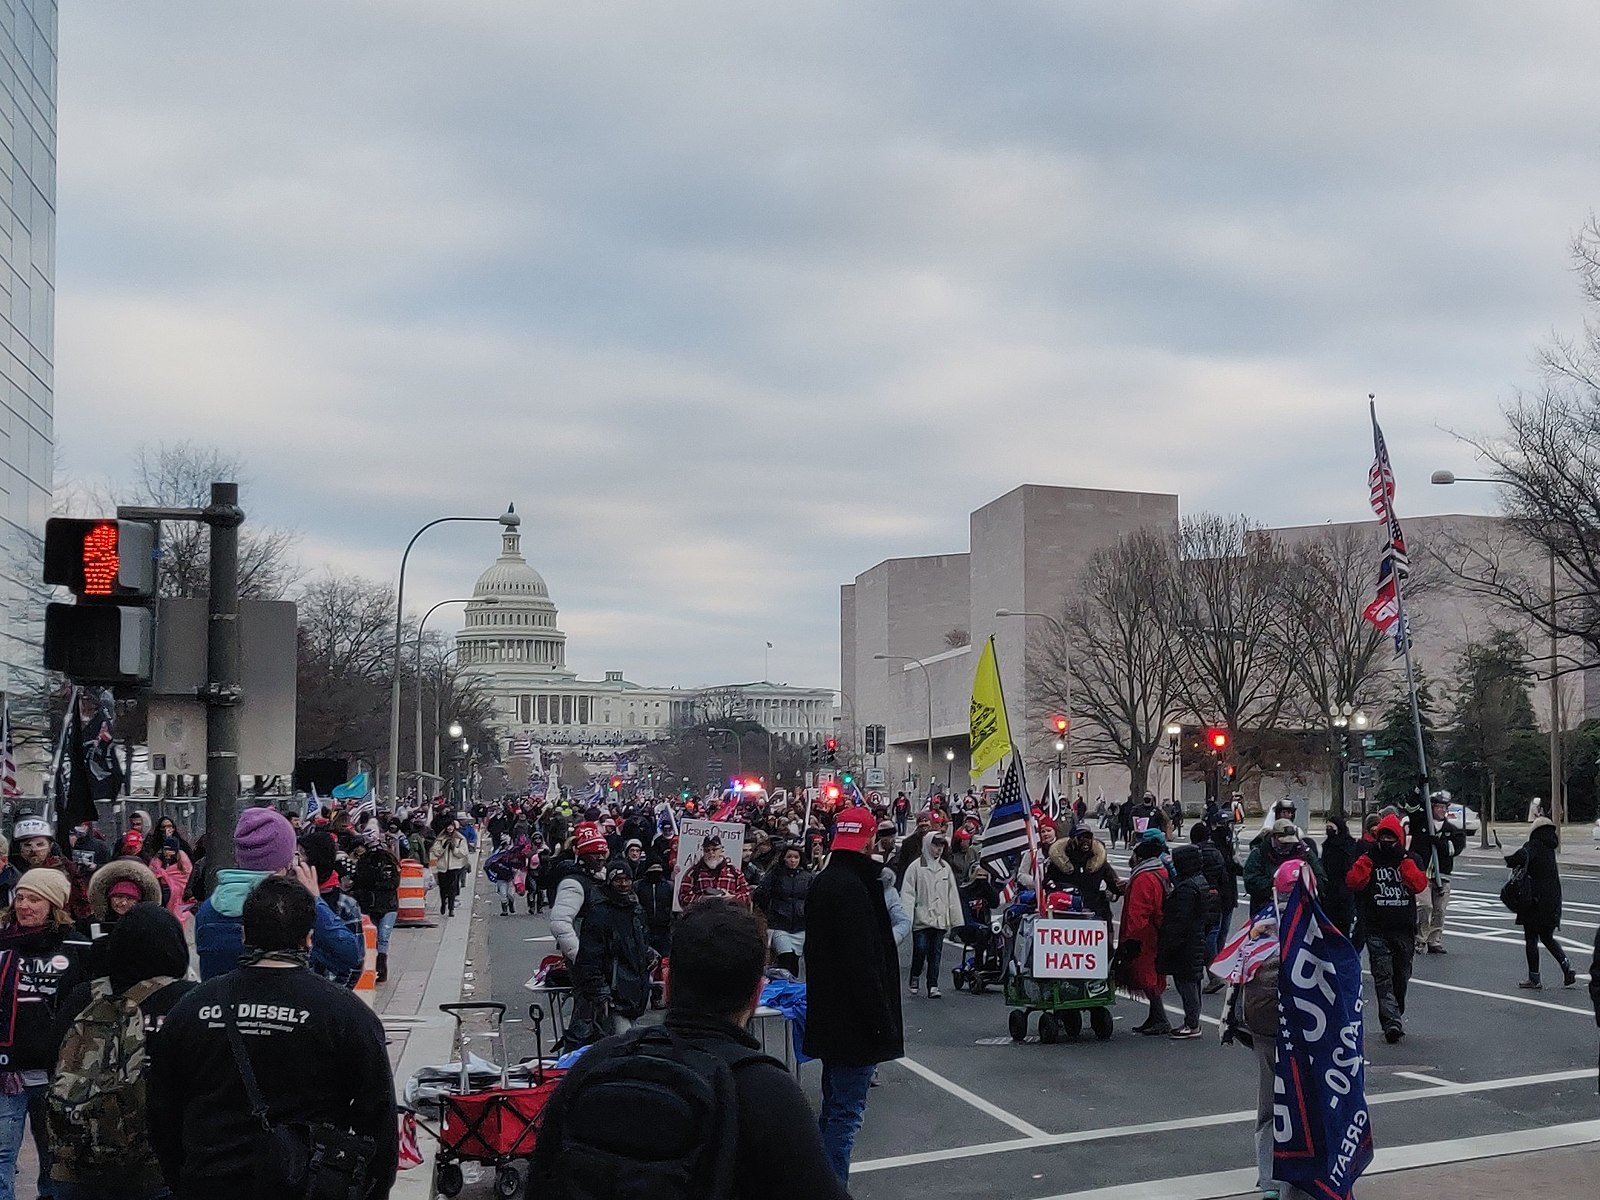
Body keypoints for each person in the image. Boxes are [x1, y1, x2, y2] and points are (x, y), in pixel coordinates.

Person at [528, 899, 849, 1200]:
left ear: (667, 984)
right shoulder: (766, 1092)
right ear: (756, 996)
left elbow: (540, 1181)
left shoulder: (595, 1063)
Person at [148, 877, 397, 1199]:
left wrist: (182, 1179)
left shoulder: (192, 1008)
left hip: (211, 1182)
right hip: (307, 1183)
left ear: (243, 935)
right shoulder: (347, 1014)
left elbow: (160, 1110)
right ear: (309, 940)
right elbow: (378, 1119)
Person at [46, 902, 195, 1200]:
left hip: (77, 1164)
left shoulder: (85, 997)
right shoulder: (187, 999)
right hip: (153, 1165)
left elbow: (52, 1058)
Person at [803, 806, 902, 1186]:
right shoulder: (856, 888)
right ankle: (831, 1187)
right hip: (856, 1025)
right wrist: (882, 1024)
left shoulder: (825, 882)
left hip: (830, 1015)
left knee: (834, 1111)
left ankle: (821, 1184)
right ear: (869, 840)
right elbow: (864, 966)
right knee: (845, 1116)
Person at [0, 869, 93, 1200]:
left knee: (55, 1163)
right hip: (8, 1073)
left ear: (53, 904)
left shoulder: (77, 946)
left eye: (34, 899)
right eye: (20, 897)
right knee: (1, 1159)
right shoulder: (2, 943)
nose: (24, 905)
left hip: (58, 1074)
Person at [192, 806, 363, 984]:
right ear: (287, 860)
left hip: (224, 1006)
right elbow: (349, 956)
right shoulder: (288, 907)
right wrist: (315, 900)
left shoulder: (209, 909)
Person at [1345, 813, 1428, 1042]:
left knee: (1401, 974)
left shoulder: (1410, 859)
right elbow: (1353, 881)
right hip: (1376, 927)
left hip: (1403, 927)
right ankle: (1391, 1021)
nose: (1387, 842)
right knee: (1383, 976)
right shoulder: (1368, 858)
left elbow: (1419, 885)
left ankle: (1395, 1010)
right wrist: (1368, 859)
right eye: (1383, 837)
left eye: (1391, 837)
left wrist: (1403, 860)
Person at [573, 861, 655, 1037]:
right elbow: (589, 959)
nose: (623, 884)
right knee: (622, 1047)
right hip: (613, 997)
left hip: (633, 995)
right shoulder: (599, 913)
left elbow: (638, 947)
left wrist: (648, 954)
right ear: (609, 881)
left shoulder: (636, 911)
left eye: (627, 879)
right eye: (618, 880)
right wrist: (601, 993)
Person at [549, 823, 612, 1049]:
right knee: (588, 1016)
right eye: (595, 855)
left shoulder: (598, 881)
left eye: (602, 853)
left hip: (599, 959)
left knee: (599, 1017)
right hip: (587, 964)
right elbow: (559, 922)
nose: (601, 859)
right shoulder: (574, 884)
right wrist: (581, 957)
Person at [1506, 816, 1578, 989]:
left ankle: (1534, 978)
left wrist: (1506, 853)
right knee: (1547, 937)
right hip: (1552, 901)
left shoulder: (1533, 846)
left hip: (1534, 901)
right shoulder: (1550, 848)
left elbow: (1516, 859)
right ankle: (1566, 965)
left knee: (1531, 938)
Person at [1157, 845, 1214, 1039]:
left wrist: (1168, 943)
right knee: (1193, 981)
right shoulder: (1199, 882)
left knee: (1186, 982)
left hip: (1186, 943)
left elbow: (1179, 920)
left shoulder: (1187, 888)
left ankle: (1191, 1024)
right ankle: (1193, 1021)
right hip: (1196, 938)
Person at [1117, 836, 1171, 1036]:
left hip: (1144, 934)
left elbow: (1138, 912)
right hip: (1156, 931)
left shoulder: (1143, 877)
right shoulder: (1159, 872)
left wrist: (1131, 938)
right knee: (1153, 974)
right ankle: (1155, 1016)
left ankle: (1160, 1017)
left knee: (1146, 974)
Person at [903, 829, 962, 999]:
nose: (939, 850)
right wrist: (907, 917)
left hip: (939, 918)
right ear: (928, 845)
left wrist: (955, 920)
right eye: (936, 846)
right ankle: (915, 975)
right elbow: (908, 893)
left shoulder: (945, 868)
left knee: (935, 954)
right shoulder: (915, 867)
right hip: (920, 919)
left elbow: (952, 895)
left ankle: (933, 985)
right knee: (920, 949)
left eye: (941, 846)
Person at [1411, 793, 1466, 955]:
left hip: (1442, 875)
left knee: (1439, 909)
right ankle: (1420, 939)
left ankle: (1434, 941)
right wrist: (1418, 791)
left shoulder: (1454, 831)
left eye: (1444, 807)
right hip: (1423, 875)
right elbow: (1411, 809)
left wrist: (1438, 843)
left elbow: (1453, 850)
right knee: (1425, 906)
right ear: (1432, 808)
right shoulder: (1422, 825)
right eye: (1438, 807)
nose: (1441, 810)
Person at [753, 843, 812, 977]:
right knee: (786, 957)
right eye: (789, 857)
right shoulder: (775, 875)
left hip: (801, 925)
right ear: (783, 858)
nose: (793, 860)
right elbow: (760, 894)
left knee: (797, 962)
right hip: (780, 924)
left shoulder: (808, 877)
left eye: (796, 857)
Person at [1243, 819, 1327, 911]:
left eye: (1291, 843)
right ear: (1275, 837)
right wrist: (1278, 885)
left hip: (1300, 909)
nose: (1288, 846)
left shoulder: (1303, 852)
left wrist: (1304, 885)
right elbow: (1251, 881)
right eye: (1284, 843)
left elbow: (1320, 877)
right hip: (1265, 908)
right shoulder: (1260, 853)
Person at [350, 832, 401, 983]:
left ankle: (381, 966)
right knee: (373, 936)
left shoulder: (389, 863)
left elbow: (394, 883)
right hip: (370, 905)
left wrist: (376, 885)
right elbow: (358, 882)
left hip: (388, 905)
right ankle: (373, 965)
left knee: (383, 936)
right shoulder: (363, 864)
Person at [1047, 823, 1123, 924]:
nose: (1085, 841)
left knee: (1106, 923)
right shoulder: (1058, 862)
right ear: (1072, 839)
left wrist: (1122, 888)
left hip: (1095, 911)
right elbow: (1047, 884)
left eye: (1088, 837)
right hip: (1066, 911)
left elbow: (1114, 883)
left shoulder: (1099, 861)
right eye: (1081, 837)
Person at [677, 834, 751, 909]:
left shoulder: (734, 872)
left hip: (728, 915)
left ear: (722, 850)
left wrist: (730, 898)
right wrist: (703, 899)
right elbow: (683, 898)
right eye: (707, 850)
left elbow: (747, 896)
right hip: (702, 915)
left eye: (714, 849)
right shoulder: (693, 873)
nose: (711, 853)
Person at [1319, 817, 1360, 940]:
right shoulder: (1327, 845)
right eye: (1327, 828)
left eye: (1331, 828)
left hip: (1344, 893)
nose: (1329, 830)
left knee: (1343, 928)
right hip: (1329, 893)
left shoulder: (1349, 845)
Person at [429, 819, 471, 917]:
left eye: (451, 826)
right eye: (448, 826)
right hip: (442, 867)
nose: (450, 828)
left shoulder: (460, 839)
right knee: (443, 888)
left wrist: (454, 849)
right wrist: (443, 847)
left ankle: (451, 908)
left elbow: (463, 853)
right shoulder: (440, 839)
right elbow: (436, 852)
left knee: (452, 888)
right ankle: (443, 903)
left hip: (455, 866)